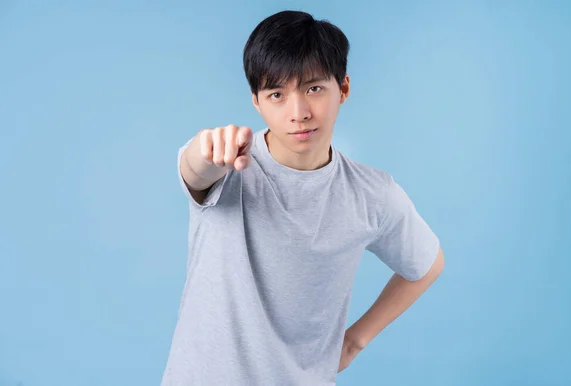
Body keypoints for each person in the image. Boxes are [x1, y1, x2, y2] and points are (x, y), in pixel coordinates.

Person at [162, 9, 444, 386]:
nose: (298, 113)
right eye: (277, 94)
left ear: (342, 88)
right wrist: (206, 150)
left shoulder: (372, 194)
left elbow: (427, 265)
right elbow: (196, 170)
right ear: (257, 102)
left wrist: (354, 343)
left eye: (313, 88)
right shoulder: (229, 165)